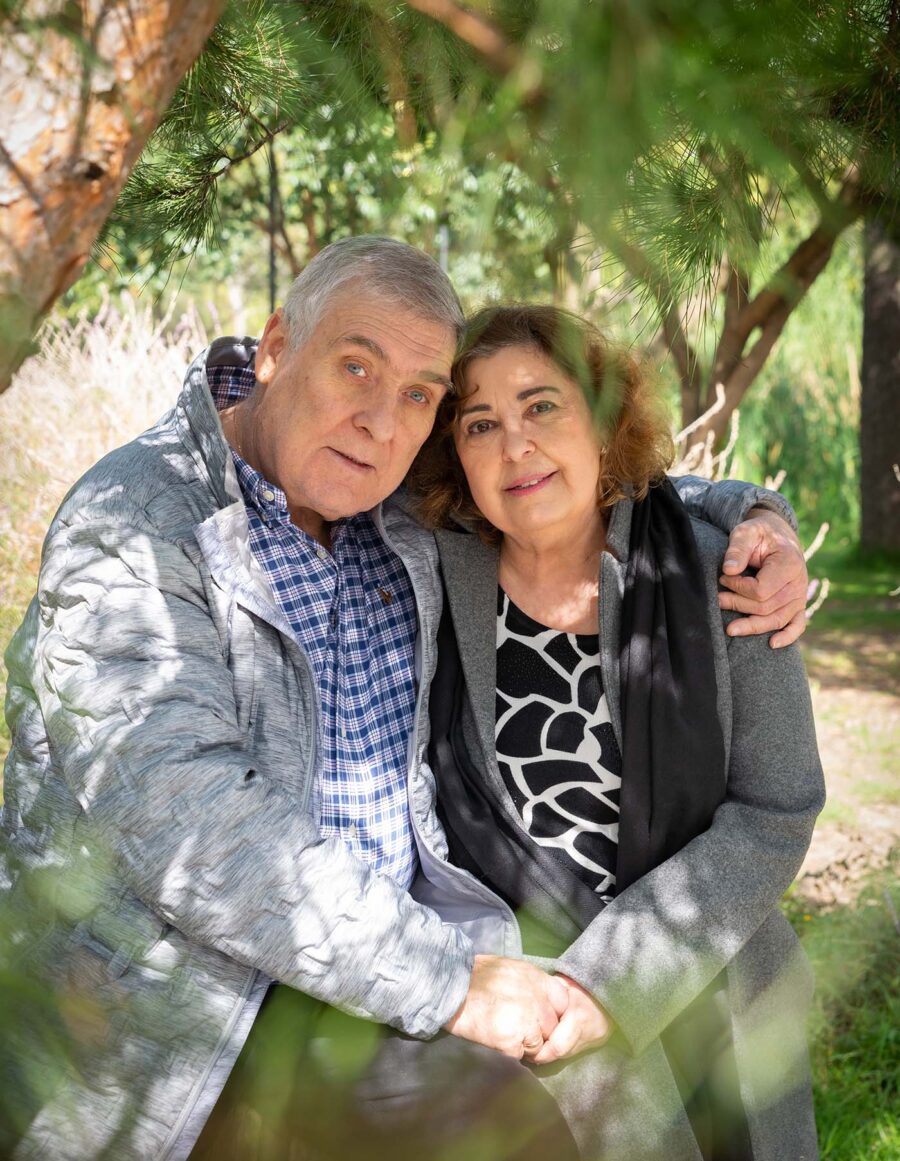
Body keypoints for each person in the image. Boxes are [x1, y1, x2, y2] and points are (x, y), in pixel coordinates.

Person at [0, 237, 808, 1161]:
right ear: (274, 349)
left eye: (421, 394)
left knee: (581, 1101)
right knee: (513, 1130)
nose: (382, 422)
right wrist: (453, 984)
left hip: (396, 960)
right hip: (192, 996)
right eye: (356, 366)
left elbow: (569, 484)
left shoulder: (387, 512)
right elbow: (195, 827)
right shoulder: (137, 526)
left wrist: (750, 514)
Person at [409, 304, 825, 1161]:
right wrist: (564, 990)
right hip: (530, 1000)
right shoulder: (428, 570)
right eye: (479, 422)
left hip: (714, 967)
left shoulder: (724, 572)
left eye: (543, 406)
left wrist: (613, 979)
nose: (514, 446)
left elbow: (777, 808)